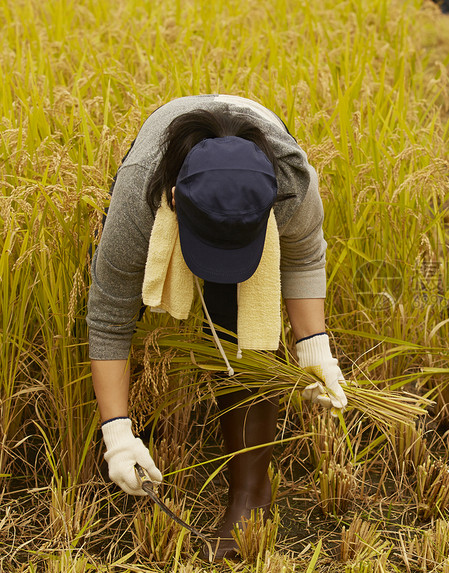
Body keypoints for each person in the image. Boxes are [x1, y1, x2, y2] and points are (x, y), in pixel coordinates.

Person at [87, 94, 349, 559]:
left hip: (257, 177)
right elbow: (109, 315)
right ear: (172, 202)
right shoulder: (142, 195)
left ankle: (250, 493)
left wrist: (316, 354)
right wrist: (116, 435)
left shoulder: (291, 186)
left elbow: (305, 258)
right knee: (114, 287)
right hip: (159, 170)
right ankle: (126, 447)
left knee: (242, 319)